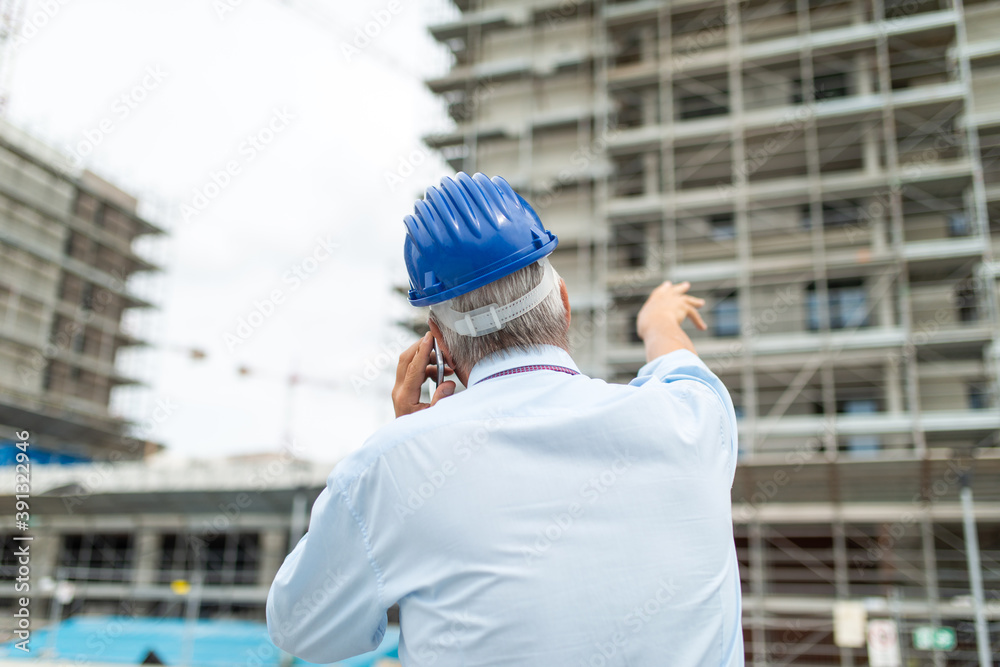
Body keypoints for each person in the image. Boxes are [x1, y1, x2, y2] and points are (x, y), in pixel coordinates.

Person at [266, 172, 744, 666]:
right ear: (563, 303)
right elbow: (680, 363)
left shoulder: (390, 468)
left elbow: (301, 629)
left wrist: (406, 446)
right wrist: (658, 320)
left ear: (440, 345)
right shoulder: (692, 419)